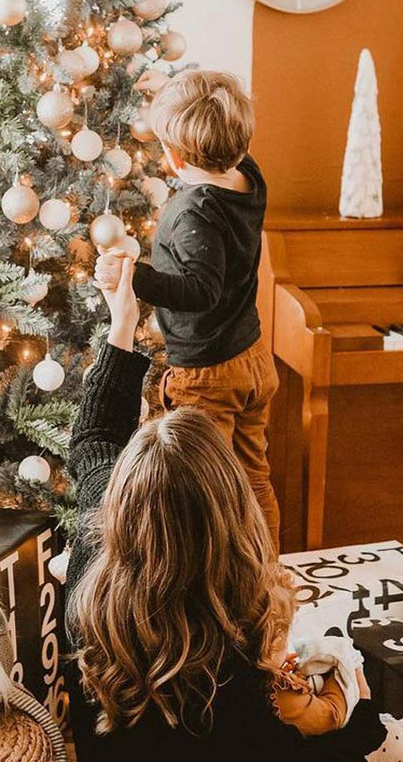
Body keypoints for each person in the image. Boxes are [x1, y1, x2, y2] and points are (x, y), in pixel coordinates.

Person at [64, 256, 403, 762]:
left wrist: (121, 322)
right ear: (229, 514)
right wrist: (364, 717)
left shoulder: (97, 534)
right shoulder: (216, 656)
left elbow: (94, 434)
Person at [94, 70, 280, 548]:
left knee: (206, 491)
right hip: (253, 356)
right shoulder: (249, 178)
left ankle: (225, 581)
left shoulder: (193, 210)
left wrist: (136, 274)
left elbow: (201, 291)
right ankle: (268, 567)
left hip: (209, 374)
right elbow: (221, 121)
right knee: (252, 474)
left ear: (174, 158)